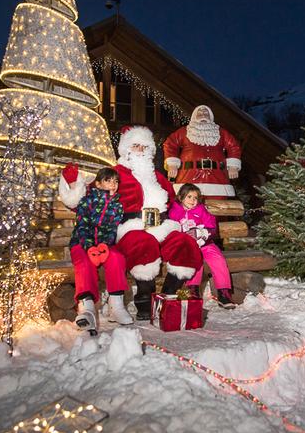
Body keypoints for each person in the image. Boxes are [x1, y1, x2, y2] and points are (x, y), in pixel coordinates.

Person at [60, 126, 202, 320]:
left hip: (160, 225)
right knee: (143, 243)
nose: (140, 151)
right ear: (126, 149)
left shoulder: (158, 177)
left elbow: (175, 201)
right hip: (129, 227)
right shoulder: (115, 174)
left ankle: (168, 296)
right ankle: (145, 300)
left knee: (185, 244)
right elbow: (90, 196)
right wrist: (75, 190)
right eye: (136, 146)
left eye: (145, 147)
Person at [68, 167, 133, 334]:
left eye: (115, 181)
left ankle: (116, 306)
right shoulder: (86, 201)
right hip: (82, 243)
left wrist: (104, 245)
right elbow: (82, 226)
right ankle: (86, 309)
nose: (113, 184)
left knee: (117, 258)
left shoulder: (117, 206)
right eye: (108, 180)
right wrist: (90, 247)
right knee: (83, 262)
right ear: (98, 183)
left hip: (103, 245)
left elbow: (112, 230)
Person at [168, 184, 235, 309]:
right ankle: (193, 290)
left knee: (218, 260)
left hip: (205, 243)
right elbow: (171, 229)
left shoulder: (201, 210)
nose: (193, 201)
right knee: (194, 260)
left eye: (196, 198)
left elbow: (212, 227)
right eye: (189, 197)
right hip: (187, 245)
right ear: (181, 197)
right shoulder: (174, 211)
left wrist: (203, 233)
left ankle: (223, 292)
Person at [163, 105, 242, 198]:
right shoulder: (184, 132)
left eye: (206, 113)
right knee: (189, 204)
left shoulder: (221, 133)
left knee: (218, 207)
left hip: (217, 179)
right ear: (194, 116)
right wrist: (172, 164)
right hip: (189, 176)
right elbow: (170, 144)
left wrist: (233, 166)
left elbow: (234, 146)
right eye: (200, 113)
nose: (203, 115)